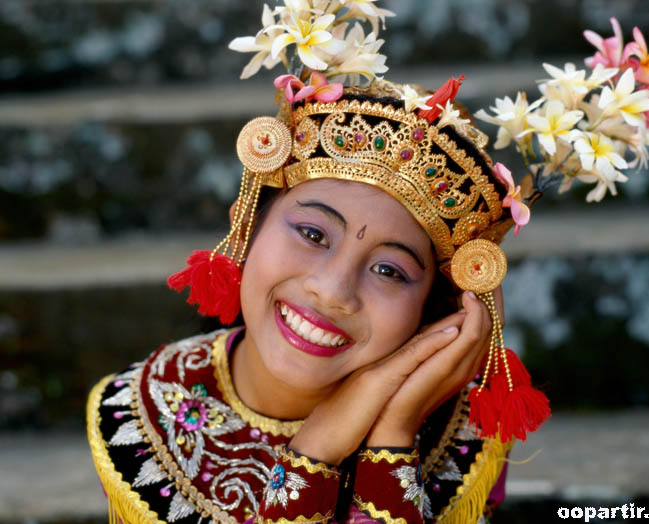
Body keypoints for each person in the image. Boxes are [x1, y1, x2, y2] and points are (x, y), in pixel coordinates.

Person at [86, 3, 561, 523]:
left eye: (389, 270)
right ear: (246, 226)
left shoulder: (460, 429)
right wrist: (319, 447)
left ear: (436, 307)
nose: (333, 290)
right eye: (313, 234)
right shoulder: (147, 410)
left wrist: (394, 430)